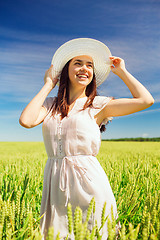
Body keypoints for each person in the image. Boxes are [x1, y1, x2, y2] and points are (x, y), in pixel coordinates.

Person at [19, 38, 154, 239]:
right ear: (66, 71)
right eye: (78, 63)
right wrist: (48, 84)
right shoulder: (50, 104)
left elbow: (146, 100)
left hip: (89, 182)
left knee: (96, 231)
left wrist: (121, 72)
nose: (85, 69)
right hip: (55, 183)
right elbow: (26, 121)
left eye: (89, 65)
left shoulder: (98, 104)